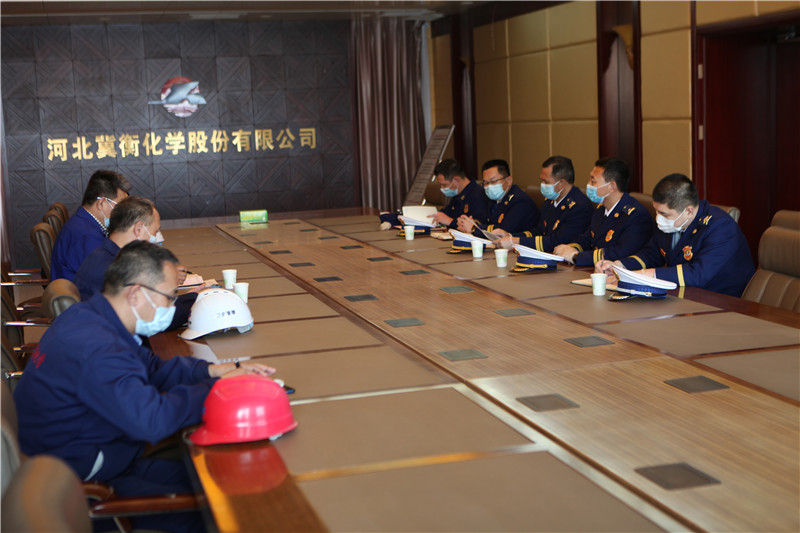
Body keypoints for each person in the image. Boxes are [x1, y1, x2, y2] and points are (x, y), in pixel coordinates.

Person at [14, 241, 274, 532]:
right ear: (136, 293)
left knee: (224, 478)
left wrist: (210, 371)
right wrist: (215, 391)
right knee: (228, 512)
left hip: (99, 455)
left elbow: (149, 367)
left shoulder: (88, 317)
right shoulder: (99, 347)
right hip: (83, 487)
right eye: (169, 297)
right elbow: (152, 420)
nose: (172, 307)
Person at [596, 173, 755, 297]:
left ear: (688, 211)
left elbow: (698, 274)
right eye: (657, 212)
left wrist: (646, 274)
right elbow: (652, 253)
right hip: (685, 295)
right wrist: (620, 266)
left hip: (722, 302)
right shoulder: (671, 222)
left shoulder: (720, 226)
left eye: (664, 214)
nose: (658, 218)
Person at [73, 196, 197, 329]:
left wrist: (191, 297)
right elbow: (155, 316)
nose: (156, 238)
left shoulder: (105, 255)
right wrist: (198, 300)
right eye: (155, 231)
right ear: (138, 229)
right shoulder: (113, 270)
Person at [553, 157, 652, 267]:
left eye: (593, 181)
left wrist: (575, 257)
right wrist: (569, 248)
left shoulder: (636, 215)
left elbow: (619, 254)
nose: (588, 185)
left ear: (611, 186)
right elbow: (586, 239)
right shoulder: (601, 209)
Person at [492, 155, 593, 258]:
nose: (542, 184)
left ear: (562, 183)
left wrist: (516, 241)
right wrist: (510, 236)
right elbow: (540, 231)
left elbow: (557, 241)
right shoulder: (549, 201)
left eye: (546, 182)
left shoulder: (579, 206)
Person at [50, 170, 131, 281]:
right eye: (120, 205)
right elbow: (107, 280)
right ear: (101, 203)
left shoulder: (84, 223)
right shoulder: (86, 235)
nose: (123, 210)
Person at [457, 159, 540, 236]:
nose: (489, 186)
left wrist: (473, 228)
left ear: (508, 181)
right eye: (485, 183)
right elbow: (485, 220)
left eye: (493, 181)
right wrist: (470, 223)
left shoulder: (520, 201)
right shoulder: (493, 198)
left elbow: (502, 231)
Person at [427, 158, 488, 229]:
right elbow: (445, 213)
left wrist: (449, 221)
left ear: (456, 180)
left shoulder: (478, 195)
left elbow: (477, 227)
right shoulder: (458, 195)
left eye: (444, 185)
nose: (442, 188)